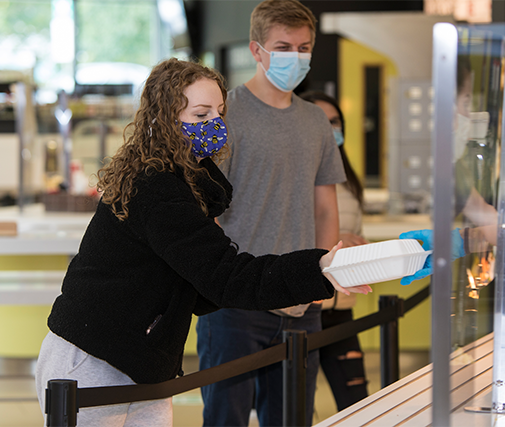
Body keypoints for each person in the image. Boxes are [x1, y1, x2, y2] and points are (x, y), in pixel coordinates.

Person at [34, 57, 371, 427]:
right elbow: (225, 277)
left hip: (141, 363)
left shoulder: (184, 184)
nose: (214, 123)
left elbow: (205, 286)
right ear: (164, 120)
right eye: (200, 114)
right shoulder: (158, 187)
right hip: (93, 360)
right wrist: (317, 268)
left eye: (219, 112)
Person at [196, 1, 348, 426]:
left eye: (304, 47)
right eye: (283, 46)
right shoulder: (224, 114)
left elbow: (324, 204)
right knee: (226, 418)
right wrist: (214, 278)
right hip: (235, 300)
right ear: (256, 50)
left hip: (301, 297)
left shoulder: (316, 120)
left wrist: (325, 274)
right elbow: (204, 207)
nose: (295, 57)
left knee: (293, 417)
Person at [299, 91, 369, 410]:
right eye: (320, 121)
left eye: (335, 121)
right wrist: (335, 237)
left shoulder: (349, 178)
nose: (330, 128)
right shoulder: (295, 175)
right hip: (303, 307)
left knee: (355, 399)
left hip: (342, 306)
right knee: (299, 403)